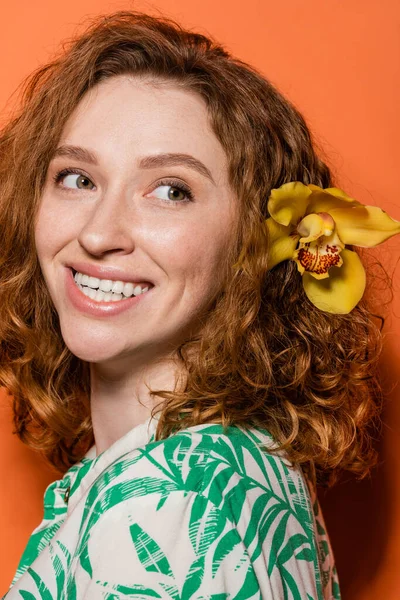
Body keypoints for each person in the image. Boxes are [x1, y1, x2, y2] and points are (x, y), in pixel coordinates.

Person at [1, 10, 399, 600]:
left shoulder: (168, 512)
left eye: (171, 191)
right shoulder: (218, 462)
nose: (98, 232)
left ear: (252, 244)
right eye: (77, 178)